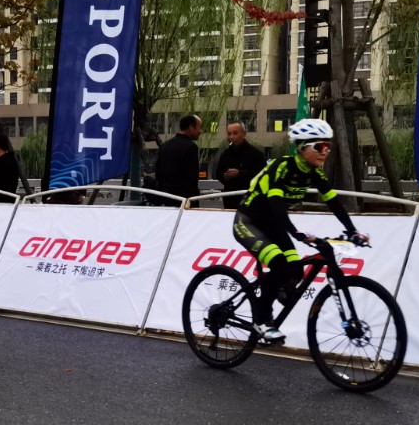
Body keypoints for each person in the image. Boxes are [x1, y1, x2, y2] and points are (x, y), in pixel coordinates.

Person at [233, 118, 366, 343]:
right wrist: (297, 234)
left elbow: (334, 203)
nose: (325, 151)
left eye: (328, 146)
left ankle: (273, 291)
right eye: (319, 146)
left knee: (295, 271)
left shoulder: (314, 173)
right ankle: (261, 320)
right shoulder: (281, 167)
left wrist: (353, 231)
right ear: (302, 147)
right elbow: (276, 207)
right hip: (249, 222)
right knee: (279, 264)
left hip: (273, 224)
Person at [214, 121, 267, 211]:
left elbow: (262, 175)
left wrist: (240, 173)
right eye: (229, 134)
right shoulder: (225, 154)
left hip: (250, 200)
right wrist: (224, 176)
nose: (231, 137)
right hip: (229, 200)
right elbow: (218, 173)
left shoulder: (256, 154)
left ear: (244, 134)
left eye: (235, 133)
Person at [153, 114, 204, 206]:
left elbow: (158, 172)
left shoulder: (165, 145)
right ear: (191, 127)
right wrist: (193, 200)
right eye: (199, 127)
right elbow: (191, 178)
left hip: (166, 198)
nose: (201, 131)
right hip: (184, 200)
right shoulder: (191, 147)